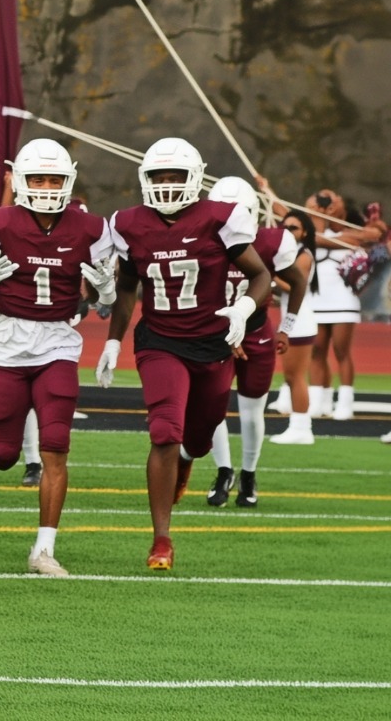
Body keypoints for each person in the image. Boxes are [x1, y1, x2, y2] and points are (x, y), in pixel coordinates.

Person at [101, 137, 270, 571]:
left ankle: (189, 459)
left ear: (195, 179)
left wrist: (246, 308)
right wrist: (114, 340)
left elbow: (260, 275)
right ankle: (161, 539)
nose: (168, 184)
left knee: (197, 437)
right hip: (160, 340)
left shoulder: (220, 218)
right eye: (159, 176)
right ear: (145, 179)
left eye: (176, 176)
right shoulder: (129, 223)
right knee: (164, 430)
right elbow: (126, 287)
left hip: (213, 344)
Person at [0, 138, 112, 576]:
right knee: (3, 455)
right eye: (39, 178)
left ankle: (43, 550)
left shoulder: (90, 228)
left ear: (70, 182)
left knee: (56, 448)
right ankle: (4, 446)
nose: (47, 186)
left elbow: (105, 300)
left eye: (55, 179)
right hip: (7, 343)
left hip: (58, 345)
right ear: (22, 181)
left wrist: (105, 292)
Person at [197, 177, 308, 502]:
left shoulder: (273, 242)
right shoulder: (200, 240)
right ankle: (223, 472)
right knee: (212, 408)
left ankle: (248, 475)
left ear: (254, 213)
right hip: (214, 333)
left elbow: (298, 282)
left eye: (239, 211)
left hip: (257, 332)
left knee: (251, 411)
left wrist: (286, 327)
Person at [301, 190, 383, 421]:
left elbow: (376, 233)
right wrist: (267, 189)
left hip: (343, 301)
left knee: (341, 351)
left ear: (341, 207)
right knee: (316, 351)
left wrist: (339, 237)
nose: (326, 200)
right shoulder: (313, 232)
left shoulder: (355, 234)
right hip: (317, 300)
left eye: (332, 198)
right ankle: (320, 402)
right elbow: (292, 218)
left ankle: (345, 402)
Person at [269, 209, 322, 444]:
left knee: (295, 376)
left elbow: (293, 286)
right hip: (294, 319)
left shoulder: (304, 254)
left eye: (293, 228)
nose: (287, 231)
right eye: (284, 226)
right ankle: (299, 426)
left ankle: (301, 428)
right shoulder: (290, 253)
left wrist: (269, 275)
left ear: (305, 232)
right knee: (291, 377)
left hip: (300, 322)